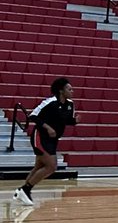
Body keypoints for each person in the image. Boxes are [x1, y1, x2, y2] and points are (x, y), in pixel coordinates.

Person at [13, 77, 77, 206]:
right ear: (61, 90)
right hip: (40, 137)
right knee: (51, 166)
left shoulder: (70, 104)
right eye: (69, 89)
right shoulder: (50, 102)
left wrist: (75, 121)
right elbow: (33, 116)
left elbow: (67, 120)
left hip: (53, 140)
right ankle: (26, 190)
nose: (72, 91)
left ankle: (21, 191)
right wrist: (48, 128)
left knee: (39, 167)